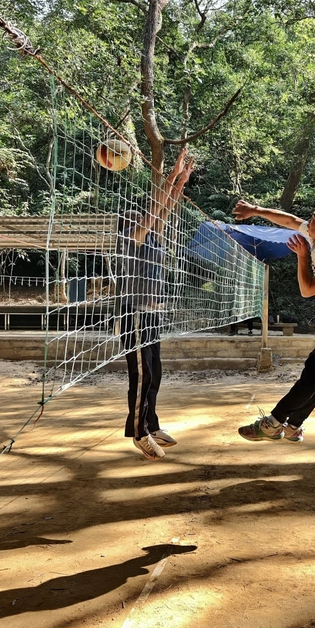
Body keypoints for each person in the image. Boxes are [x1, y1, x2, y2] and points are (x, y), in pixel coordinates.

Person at [233, 199, 315, 442]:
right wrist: (255, 210)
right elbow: (290, 220)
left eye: (314, 218)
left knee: (312, 376)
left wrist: (302, 256)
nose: (309, 221)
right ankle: (293, 425)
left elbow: (306, 290)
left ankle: (273, 423)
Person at [117, 148, 195, 460]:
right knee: (142, 375)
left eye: (138, 215)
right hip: (134, 313)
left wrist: (181, 181)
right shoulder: (130, 239)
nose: (137, 216)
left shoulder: (152, 238)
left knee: (155, 373)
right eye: (132, 216)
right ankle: (139, 433)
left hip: (152, 314)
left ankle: (151, 424)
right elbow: (155, 210)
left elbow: (166, 209)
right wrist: (172, 174)